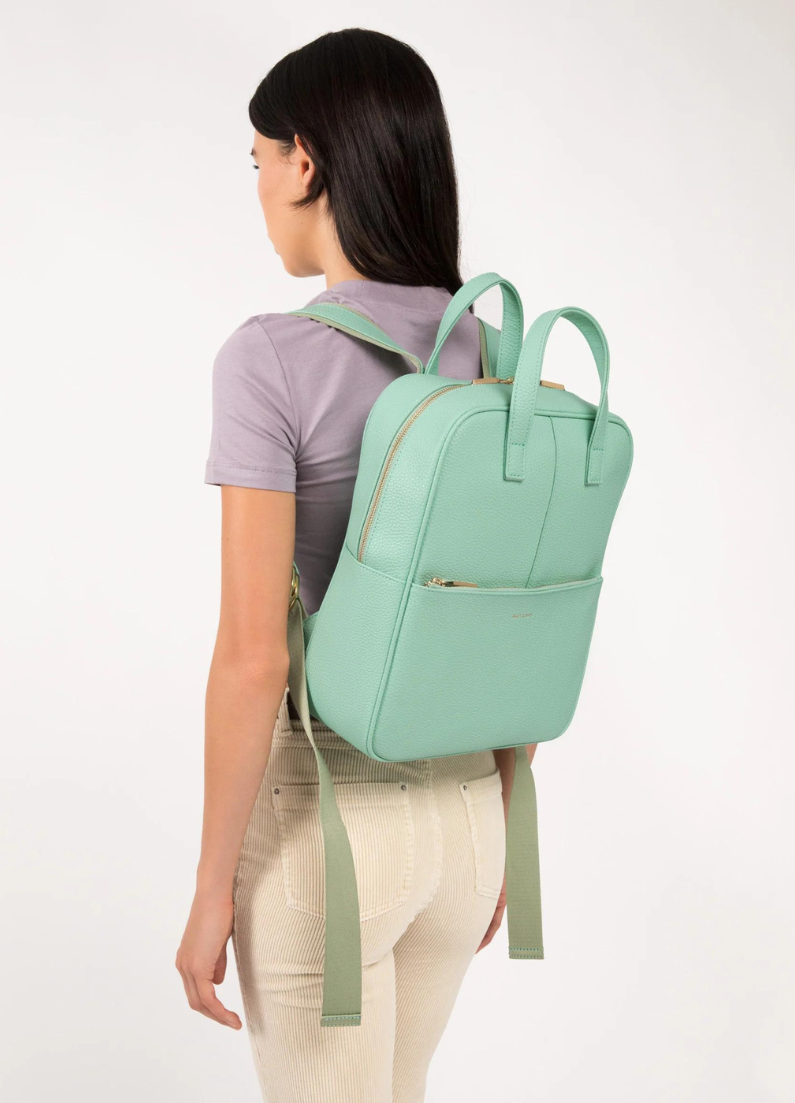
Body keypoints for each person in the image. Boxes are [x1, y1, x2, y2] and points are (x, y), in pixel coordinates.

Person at [176, 27, 535, 1102]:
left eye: (256, 160)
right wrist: (505, 818)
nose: (257, 188)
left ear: (305, 162)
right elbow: (509, 616)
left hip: (327, 829)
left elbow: (252, 657)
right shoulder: (492, 356)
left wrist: (209, 887)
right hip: (470, 817)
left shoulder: (270, 360)